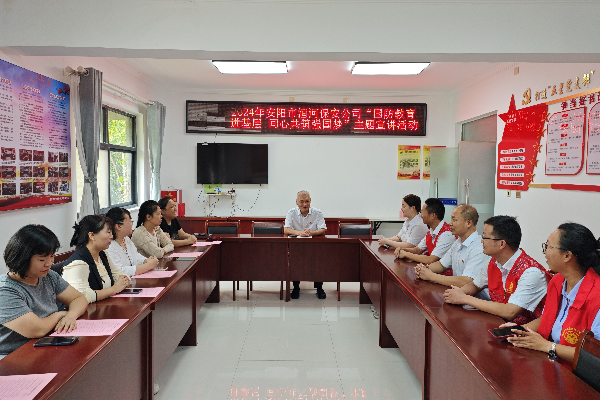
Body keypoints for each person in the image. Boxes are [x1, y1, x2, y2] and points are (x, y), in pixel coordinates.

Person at [501, 223, 600, 366]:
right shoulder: (557, 281)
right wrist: (520, 330)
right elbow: (548, 318)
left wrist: (547, 346)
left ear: (567, 255)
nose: (544, 252)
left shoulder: (597, 296)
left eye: (548, 246)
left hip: (577, 374)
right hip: (550, 363)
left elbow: (595, 355)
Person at [443, 215, 551, 324]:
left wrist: (464, 298)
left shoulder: (531, 272)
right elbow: (475, 285)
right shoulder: (493, 262)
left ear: (502, 244)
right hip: (499, 323)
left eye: (485, 237)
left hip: (526, 331)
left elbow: (510, 311)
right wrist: (457, 293)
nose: (481, 241)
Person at [0, 225, 88, 359]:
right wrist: (60, 315)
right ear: (22, 258)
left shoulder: (48, 276)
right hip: (12, 357)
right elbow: (37, 329)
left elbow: (78, 298)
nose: (49, 263)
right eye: (42, 259)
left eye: (52, 256)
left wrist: (71, 315)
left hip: (46, 343)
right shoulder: (6, 290)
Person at [414, 205, 490, 292]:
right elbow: (442, 265)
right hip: (457, 294)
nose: (450, 223)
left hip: (476, 298)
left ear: (468, 223)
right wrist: (424, 269)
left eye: (454, 220)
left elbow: (466, 281)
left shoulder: (479, 248)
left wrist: (431, 276)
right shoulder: (458, 242)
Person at [62, 215, 131, 303]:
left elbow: (120, 275)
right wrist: (114, 289)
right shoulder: (78, 263)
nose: (111, 236)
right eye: (108, 232)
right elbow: (81, 296)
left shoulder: (102, 254)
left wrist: (122, 282)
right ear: (92, 235)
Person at [284, 190, 327, 299]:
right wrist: (299, 233)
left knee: (318, 262)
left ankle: (319, 288)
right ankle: (296, 287)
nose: (305, 204)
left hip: (314, 246)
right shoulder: (291, 213)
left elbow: (322, 229)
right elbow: (286, 229)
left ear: (310, 201)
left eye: (307, 201)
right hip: (296, 246)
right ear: (296, 202)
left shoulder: (317, 213)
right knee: (295, 261)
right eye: (301, 201)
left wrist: (310, 233)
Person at [394, 198, 456, 265]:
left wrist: (406, 254)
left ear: (433, 215)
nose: (421, 215)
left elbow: (431, 259)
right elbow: (417, 250)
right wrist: (402, 250)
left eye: (423, 212)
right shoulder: (431, 230)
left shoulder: (447, 234)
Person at [106, 207, 160, 276]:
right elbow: (120, 271)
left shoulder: (126, 239)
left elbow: (136, 256)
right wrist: (148, 265)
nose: (132, 224)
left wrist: (146, 260)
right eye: (130, 222)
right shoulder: (109, 246)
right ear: (119, 226)